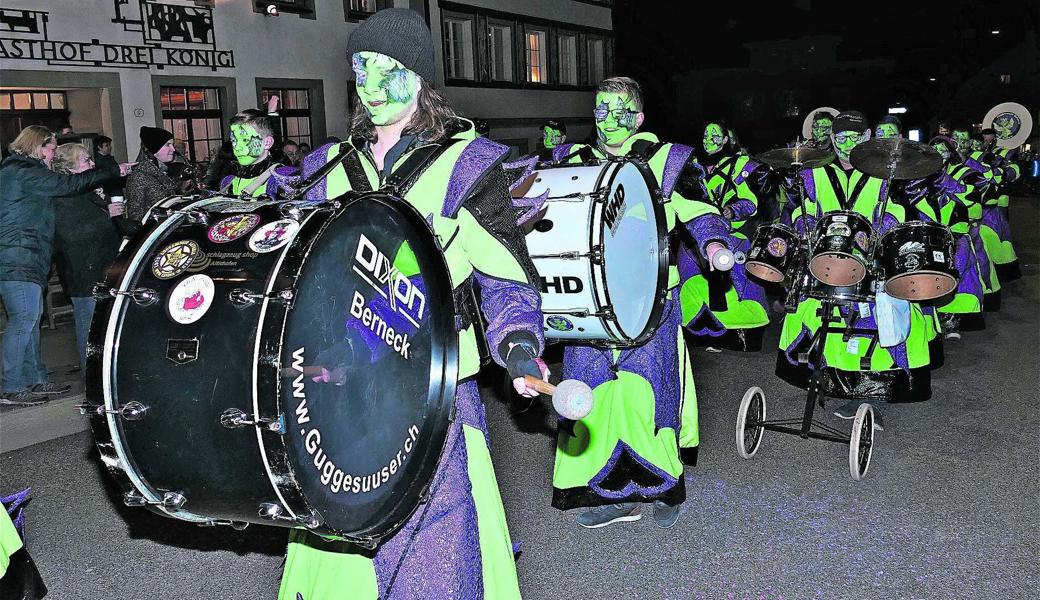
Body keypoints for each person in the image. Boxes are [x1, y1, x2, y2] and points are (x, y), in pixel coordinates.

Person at [279, 9, 547, 598]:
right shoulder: (327, 171)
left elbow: (504, 279)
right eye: (359, 71)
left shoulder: (464, 167)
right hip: (340, 393)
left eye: (386, 71)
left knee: (436, 545)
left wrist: (521, 348)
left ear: (421, 79)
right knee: (338, 531)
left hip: (432, 390)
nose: (370, 88)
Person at [548, 77, 732, 529]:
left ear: (639, 117)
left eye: (619, 111)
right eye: (600, 109)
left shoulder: (670, 162)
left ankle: (661, 487)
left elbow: (701, 212)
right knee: (588, 396)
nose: (608, 120)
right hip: (587, 302)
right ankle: (604, 492)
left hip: (651, 304)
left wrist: (712, 245)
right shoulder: (573, 162)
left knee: (647, 397)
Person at [777, 111, 937, 419]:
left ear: (867, 138)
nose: (846, 145)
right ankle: (832, 379)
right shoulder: (814, 171)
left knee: (880, 319)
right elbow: (804, 209)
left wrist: (877, 232)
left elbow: (898, 212)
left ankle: (874, 393)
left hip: (873, 258)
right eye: (840, 139)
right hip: (827, 257)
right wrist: (806, 227)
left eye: (854, 138)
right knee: (813, 313)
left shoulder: (885, 172)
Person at [0, 126, 130, 406]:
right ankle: (11, 386)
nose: (52, 154)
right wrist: (110, 170)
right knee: (23, 321)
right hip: (17, 255)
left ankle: (34, 379)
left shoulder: (23, 170)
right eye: (50, 147)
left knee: (31, 321)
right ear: (38, 146)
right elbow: (67, 185)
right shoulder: (22, 171)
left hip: (28, 255)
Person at [679, 120, 771, 352]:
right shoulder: (691, 165)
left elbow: (751, 203)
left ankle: (736, 337)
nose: (708, 138)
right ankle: (700, 334)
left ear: (726, 139)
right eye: (705, 134)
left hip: (733, 234)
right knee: (692, 277)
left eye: (715, 134)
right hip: (696, 236)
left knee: (738, 285)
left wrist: (733, 210)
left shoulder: (741, 166)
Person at [50, 143, 123, 372]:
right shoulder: (63, 195)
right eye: (85, 160)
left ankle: (101, 371)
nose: (92, 164)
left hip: (100, 266)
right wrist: (106, 215)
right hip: (83, 270)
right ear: (71, 168)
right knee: (89, 324)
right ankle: (90, 373)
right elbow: (72, 233)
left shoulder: (84, 191)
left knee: (101, 323)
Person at [219, 109, 297, 197]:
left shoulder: (284, 178)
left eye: (245, 140)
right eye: (234, 140)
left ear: (267, 143)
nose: (237, 147)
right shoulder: (228, 182)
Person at [123, 126, 181, 229]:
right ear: (154, 149)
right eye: (168, 145)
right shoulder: (139, 175)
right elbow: (136, 218)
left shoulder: (163, 169)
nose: (173, 149)